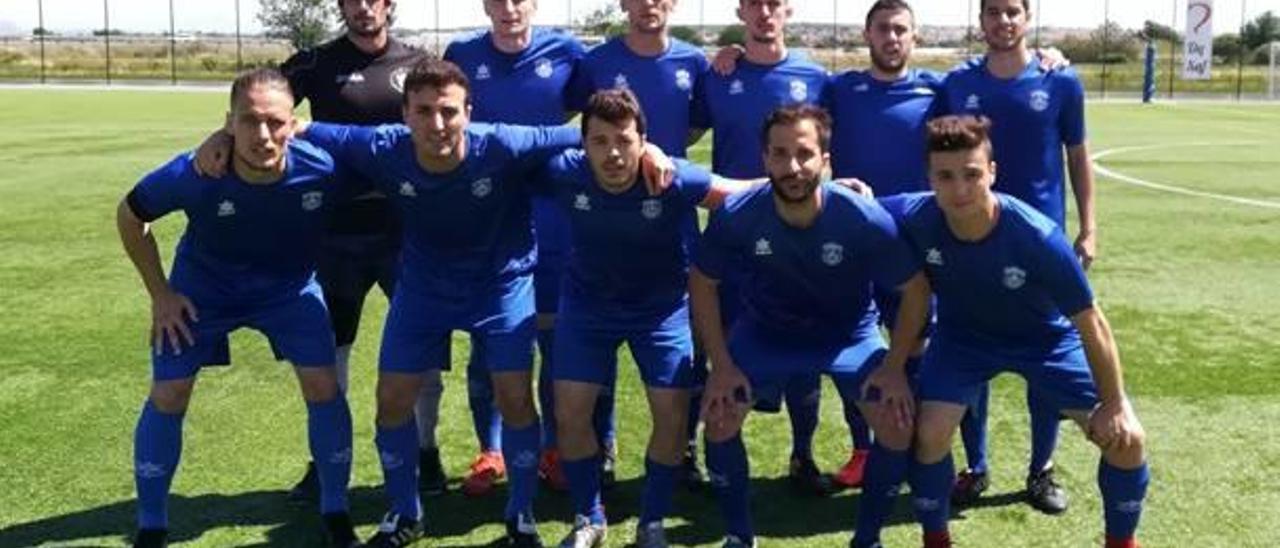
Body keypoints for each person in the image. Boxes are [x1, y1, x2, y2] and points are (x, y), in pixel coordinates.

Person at [120, 68, 357, 548]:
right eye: (249, 121)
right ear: (228, 123)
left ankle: (335, 510)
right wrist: (161, 295)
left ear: (294, 123)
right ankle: (151, 525)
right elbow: (130, 215)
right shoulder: (196, 173)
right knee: (170, 393)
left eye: (274, 121)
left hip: (289, 292)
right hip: (204, 291)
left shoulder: (324, 169)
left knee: (323, 385)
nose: (263, 135)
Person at [886, 114, 1146, 548]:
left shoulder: (1037, 237)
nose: (960, 188)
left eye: (972, 174)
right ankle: (936, 538)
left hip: (1045, 342)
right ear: (929, 178)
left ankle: (1121, 543)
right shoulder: (917, 214)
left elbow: (1091, 322)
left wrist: (1115, 403)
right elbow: (849, 202)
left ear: (992, 172)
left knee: (1128, 441)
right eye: (945, 176)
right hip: (962, 341)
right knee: (928, 435)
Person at [690, 104, 932, 548]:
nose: (792, 167)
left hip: (847, 337)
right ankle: (739, 536)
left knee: (896, 421)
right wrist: (721, 365)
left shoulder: (861, 216)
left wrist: (895, 366)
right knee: (720, 416)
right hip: (767, 332)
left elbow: (916, 290)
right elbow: (703, 283)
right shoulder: (739, 213)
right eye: (779, 154)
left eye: (804, 153)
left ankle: (868, 538)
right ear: (764, 159)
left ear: (826, 160)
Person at [546, 89, 758, 548]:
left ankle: (652, 521)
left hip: (659, 312)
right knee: (569, 414)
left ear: (643, 140)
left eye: (624, 140)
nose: (613, 154)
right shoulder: (564, 171)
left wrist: (827, 186)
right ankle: (590, 517)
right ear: (582, 145)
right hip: (587, 309)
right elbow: (508, 154)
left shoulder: (670, 177)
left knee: (671, 416)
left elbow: (736, 193)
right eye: (599, 142)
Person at [276, 0, 446, 499]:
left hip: (407, 230)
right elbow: (262, 104)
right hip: (335, 231)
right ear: (343, 7)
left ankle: (427, 452)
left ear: (389, 5)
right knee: (329, 352)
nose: (365, 8)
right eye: (354, 0)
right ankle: (326, 460)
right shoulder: (314, 62)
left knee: (426, 348)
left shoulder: (417, 62)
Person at [940, 0, 1097, 513]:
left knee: (1046, 357)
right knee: (970, 347)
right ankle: (976, 466)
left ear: (1027, 18)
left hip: (1041, 245)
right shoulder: (955, 84)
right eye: (993, 12)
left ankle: (1041, 469)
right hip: (969, 240)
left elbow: (1077, 155)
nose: (1003, 21)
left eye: (1012, 11)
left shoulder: (1060, 81)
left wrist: (1089, 227)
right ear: (980, 21)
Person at [442, 0, 602, 496]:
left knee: (555, 340)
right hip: (484, 216)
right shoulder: (462, 54)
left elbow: (597, 113)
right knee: (487, 339)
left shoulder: (568, 51)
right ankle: (491, 451)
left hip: (553, 216)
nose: (509, 8)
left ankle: (554, 448)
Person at [700, 0, 846, 497]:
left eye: (774, 3)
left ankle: (802, 455)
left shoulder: (815, 76)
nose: (765, 12)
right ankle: (706, 459)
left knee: (803, 351)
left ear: (788, 10)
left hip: (798, 240)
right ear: (741, 10)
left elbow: (829, 153)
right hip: (733, 236)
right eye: (755, 3)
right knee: (721, 346)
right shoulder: (717, 73)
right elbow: (687, 127)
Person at [567, 0, 713, 487]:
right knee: (596, 352)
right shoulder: (595, 61)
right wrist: (627, 149)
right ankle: (603, 446)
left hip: (670, 207)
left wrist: (652, 150)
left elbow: (698, 124)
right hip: (609, 206)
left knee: (685, 345)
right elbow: (585, 123)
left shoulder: (695, 62)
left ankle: (685, 449)